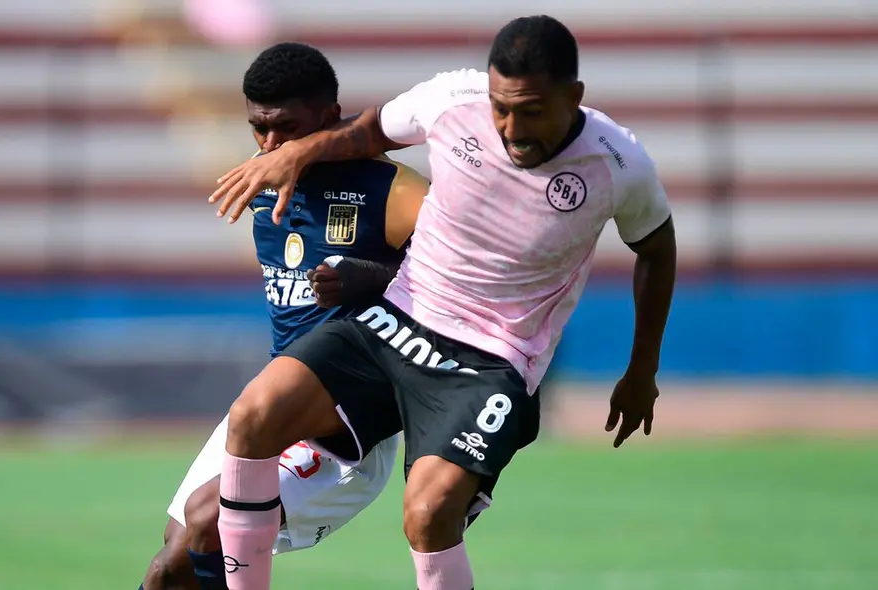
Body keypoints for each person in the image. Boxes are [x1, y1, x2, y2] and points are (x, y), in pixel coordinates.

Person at [210, 14, 677, 590]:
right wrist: (299, 154)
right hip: (398, 318)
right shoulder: (451, 99)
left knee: (428, 515)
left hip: (490, 360)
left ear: (572, 96)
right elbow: (369, 132)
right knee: (253, 416)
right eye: (501, 107)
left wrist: (642, 368)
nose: (511, 127)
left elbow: (655, 248)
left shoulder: (618, 163)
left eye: (531, 110)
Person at [140, 42, 430, 590]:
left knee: (210, 520)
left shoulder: (394, 189)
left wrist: (369, 277)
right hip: (273, 400)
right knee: (169, 567)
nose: (271, 145)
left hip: (347, 423)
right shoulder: (257, 181)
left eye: (287, 128)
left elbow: (465, 284)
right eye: (258, 129)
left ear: (328, 117)